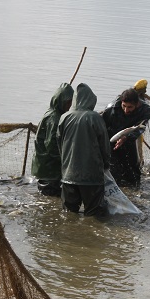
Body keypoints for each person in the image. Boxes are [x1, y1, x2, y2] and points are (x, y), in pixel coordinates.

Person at [57, 83, 111, 217]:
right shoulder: (95, 118)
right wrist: (106, 164)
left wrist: (65, 164)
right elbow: (104, 146)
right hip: (91, 177)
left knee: (69, 214)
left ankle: (69, 236)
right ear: (91, 101)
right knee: (94, 214)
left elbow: (59, 144)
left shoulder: (64, 117)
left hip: (68, 175)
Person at [101, 80, 150, 187]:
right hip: (111, 139)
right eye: (124, 106)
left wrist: (126, 138)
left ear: (137, 104)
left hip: (129, 139)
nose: (126, 110)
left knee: (133, 168)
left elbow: (140, 128)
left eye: (130, 107)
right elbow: (101, 127)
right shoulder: (112, 108)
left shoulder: (145, 109)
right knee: (114, 169)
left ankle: (135, 188)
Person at [31, 83, 74, 196]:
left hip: (45, 165)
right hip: (48, 167)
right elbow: (51, 145)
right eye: (68, 102)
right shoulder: (54, 118)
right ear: (61, 101)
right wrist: (65, 160)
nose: (70, 106)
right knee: (49, 194)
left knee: (46, 195)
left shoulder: (52, 113)